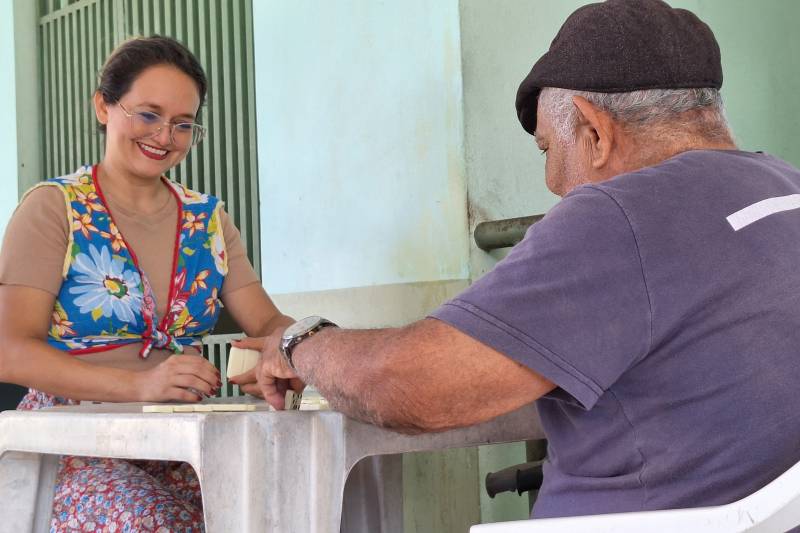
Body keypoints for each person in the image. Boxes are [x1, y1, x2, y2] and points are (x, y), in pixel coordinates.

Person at [233, 0, 800, 519]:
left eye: (549, 150)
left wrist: (301, 342)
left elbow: (410, 387)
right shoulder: (785, 189)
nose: (555, 187)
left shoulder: (624, 213)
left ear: (595, 132)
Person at [0, 36, 293, 531]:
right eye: (149, 114)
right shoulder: (55, 209)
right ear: (103, 106)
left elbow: (266, 319)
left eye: (183, 124)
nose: (164, 136)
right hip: (72, 442)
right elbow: (10, 349)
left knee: (277, 510)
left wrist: (293, 345)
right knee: (152, 521)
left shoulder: (208, 219)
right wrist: (141, 384)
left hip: (183, 439)